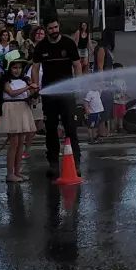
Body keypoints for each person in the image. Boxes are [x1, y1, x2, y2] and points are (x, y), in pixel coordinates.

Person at [31, 17, 83, 177]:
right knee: (51, 129)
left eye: (55, 27)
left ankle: (76, 162)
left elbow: (77, 65)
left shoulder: (68, 44)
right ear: (46, 30)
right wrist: (35, 86)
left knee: (70, 128)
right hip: (49, 93)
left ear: (59, 26)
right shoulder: (41, 46)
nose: (54, 31)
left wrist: (78, 84)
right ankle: (53, 163)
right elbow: (35, 67)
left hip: (67, 93)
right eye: (51, 28)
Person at [0, 54, 35, 183]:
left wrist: (33, 92)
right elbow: (11, 93)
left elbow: (28, 95)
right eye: (14, 67)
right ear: (9, 67)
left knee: (21, 143)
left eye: (19, 67)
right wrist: (28, 87)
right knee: (13, 143)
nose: (17, 70)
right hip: (11, 109)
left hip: (23, 108)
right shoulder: (5, 80)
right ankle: (10, 173)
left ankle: (18, 171)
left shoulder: (25, 80)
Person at [93, 29, 116, 136]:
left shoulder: (107, 49)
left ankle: (103, 129)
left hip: (108, 81)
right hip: (102, 82)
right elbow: (100, 67)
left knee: (107, 104)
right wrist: (101, 83)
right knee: (103, 105)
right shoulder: (102, 49)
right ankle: (101, 130)